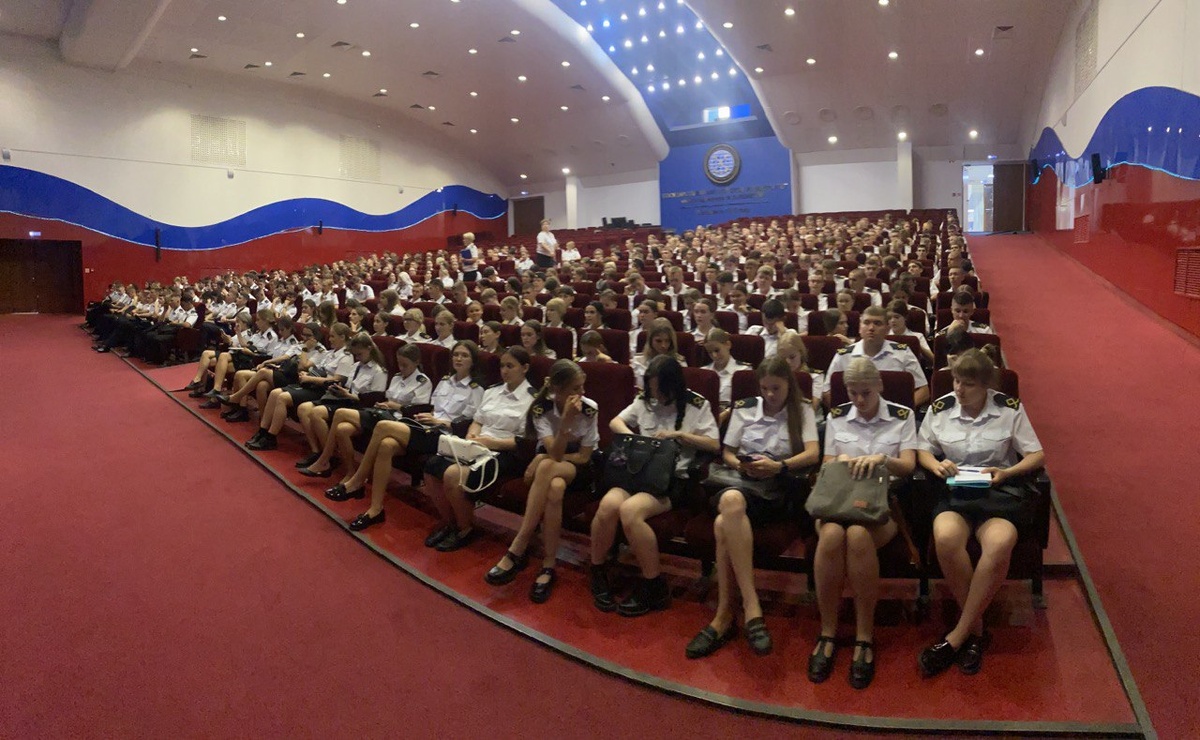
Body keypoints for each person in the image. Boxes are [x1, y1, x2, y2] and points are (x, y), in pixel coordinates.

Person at [916, 349, 1044, 678]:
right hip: (956, 493)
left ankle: (958, 636)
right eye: (956, 381)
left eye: (968, 384)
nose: (958, 389)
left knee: (999, 544)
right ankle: (975, 630)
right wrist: (937, 465)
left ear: (986, 385)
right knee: (946, 538)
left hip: (996, 493)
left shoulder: (1008, 409)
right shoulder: (941, 408)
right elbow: (922, 449)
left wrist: (1007, 472)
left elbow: (1036, 455)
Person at [685, 358, 820, 659]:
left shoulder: (802, 410)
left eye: (776, 388)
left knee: (723, 523)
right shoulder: (745, 408)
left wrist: (779, 466)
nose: (770, 395)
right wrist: (741, 465)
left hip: (776, 490)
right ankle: (751, 607)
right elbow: (728, 453)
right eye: (765, 388)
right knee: (731, 502)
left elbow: (813, 454)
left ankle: (724, 615)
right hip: (739, 482)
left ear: (789, 385)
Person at [810, 358, 918, 689]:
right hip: (839, 502)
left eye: (866, 393)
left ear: (879, 386)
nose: (858, 400)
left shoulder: (902, 416)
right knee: (831, 535)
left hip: (881, 505)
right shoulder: (837, 416)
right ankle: (828, 631)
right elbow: (826, 464)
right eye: (853, 393)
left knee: (858, 535)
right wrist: (840, 460)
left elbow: (909, 466)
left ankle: (864, 636)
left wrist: (883, 460)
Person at [590, 357, 720, 616]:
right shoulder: (645, 400)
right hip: (638, 472)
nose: (656, 396)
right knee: (608, 505)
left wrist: (679, 435)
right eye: (652, 389)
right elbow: (615, 422)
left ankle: (654, 585)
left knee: (630, 511)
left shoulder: (696, 404)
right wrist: (637, 439)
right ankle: (598, 570)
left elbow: (714, 444)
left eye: (661, 391)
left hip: (671, 480)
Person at [332, 341, 485, 531]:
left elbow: (470, 423)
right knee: (386, 445)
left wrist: (440, 421)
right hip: (426, 427)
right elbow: (433, 407)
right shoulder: (445, 381)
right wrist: (428, 416)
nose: (459, 359)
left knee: (383, 426)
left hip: (445, 436)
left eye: (464, 355)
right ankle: (375, 509)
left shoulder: (476, 389)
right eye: (456, 354)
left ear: (473, 361)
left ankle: (357, 480)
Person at [485, 360, 598, 604]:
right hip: (554, 465)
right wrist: (564, 424)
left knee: (546, 466)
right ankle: (548, 565)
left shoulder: (589, 409)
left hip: (578, 468)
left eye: (582, 387)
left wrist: (542, 457)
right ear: (557, 389)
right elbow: (554, 453)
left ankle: (519, 544)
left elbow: (583, 457)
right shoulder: (541, 408)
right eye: (575, 389)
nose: (582, 393)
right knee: (555, 489)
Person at [423, 347, 537, 552]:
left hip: (506, 453)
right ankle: (450, 523)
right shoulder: (492, 391)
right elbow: (477, 421)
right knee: (431, 467)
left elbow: (525, 442)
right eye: (502, 366)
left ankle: (465, 529)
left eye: (510, 366)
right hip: (478, 446)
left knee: (453, 475)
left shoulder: (532, 399)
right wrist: (472, 436)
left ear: (525, 368)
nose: (504, 371)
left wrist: (489, 443)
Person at [298, 343, 432, 477]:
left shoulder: (423, 382)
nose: (401, 368)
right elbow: (386, 398)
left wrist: (395, 406)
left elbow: (418, 412)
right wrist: (383, 404)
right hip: (382, 413)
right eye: (399, 363)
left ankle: (325, 460)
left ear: (416, 362)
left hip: (398, 421)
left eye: (405, 365)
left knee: (340, 413)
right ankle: (350, 472)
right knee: (342, 429)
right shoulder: (397, 377)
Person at [248, 323, 355, 450]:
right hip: (311, 383)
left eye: (332, 336)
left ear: (342, 337)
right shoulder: (331, 353)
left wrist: (310, 377)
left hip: (324, 390)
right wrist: (307, 374)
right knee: (274, 393)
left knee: (282, 397)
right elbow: (313, 369)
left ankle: (271, 437)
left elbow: (336, 380)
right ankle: (263, 431)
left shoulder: (346, 357)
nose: (330, 339)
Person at [294, 334, 388, 464]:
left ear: (369, 348)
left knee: (317, 413)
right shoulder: (357, 366)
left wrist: (348, 395)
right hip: (346, 400)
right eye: (356, 355)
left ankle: (329, 457)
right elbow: (349, 387)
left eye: (360, 354)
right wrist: (339, 390)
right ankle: (317, 451)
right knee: (304, 408)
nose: (357, 357)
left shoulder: (379, 371)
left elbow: (374, 400)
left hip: (361, 407)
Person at [825, 306, 929, 408]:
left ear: (887, 329)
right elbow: (826, 392)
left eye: (877, 323)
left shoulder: (903, 353)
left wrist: (902, 413)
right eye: (866, 323)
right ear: (860, 328)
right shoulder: (843, 355)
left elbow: (923, 390)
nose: (871, 328)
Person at [631, 318, 687, 389]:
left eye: (667, 341)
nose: (663, 345)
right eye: (658, 341)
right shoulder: (637, 362)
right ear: (650, 340)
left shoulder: (680, 363)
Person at [701, 328, 750, 409]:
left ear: (728, 345)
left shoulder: (744, 371)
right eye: (710, 352)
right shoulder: (703, 372)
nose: (714, 356)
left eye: (717, 350)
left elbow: (746, 403)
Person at [887, 299, 933, 363]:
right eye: (889, 318)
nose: (892, 321)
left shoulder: (917, 336)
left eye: (896, 317)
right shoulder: (884, 337)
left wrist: (916, 344)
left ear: (905, 317)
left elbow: (932, 359)